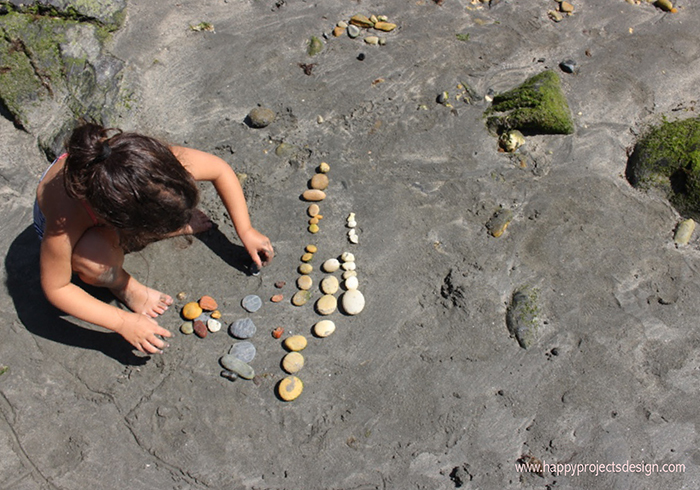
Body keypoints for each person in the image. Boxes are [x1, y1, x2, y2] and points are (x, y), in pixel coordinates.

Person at [34, 122, 274, 355]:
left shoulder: (152, 165)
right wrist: (122, 322)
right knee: (96, 259)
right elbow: (57, 287)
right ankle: (122, 285)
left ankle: (159, 226)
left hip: (113, 195)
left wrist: (246, 230)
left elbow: (219, 169)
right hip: (69, 223)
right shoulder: (67, 217)